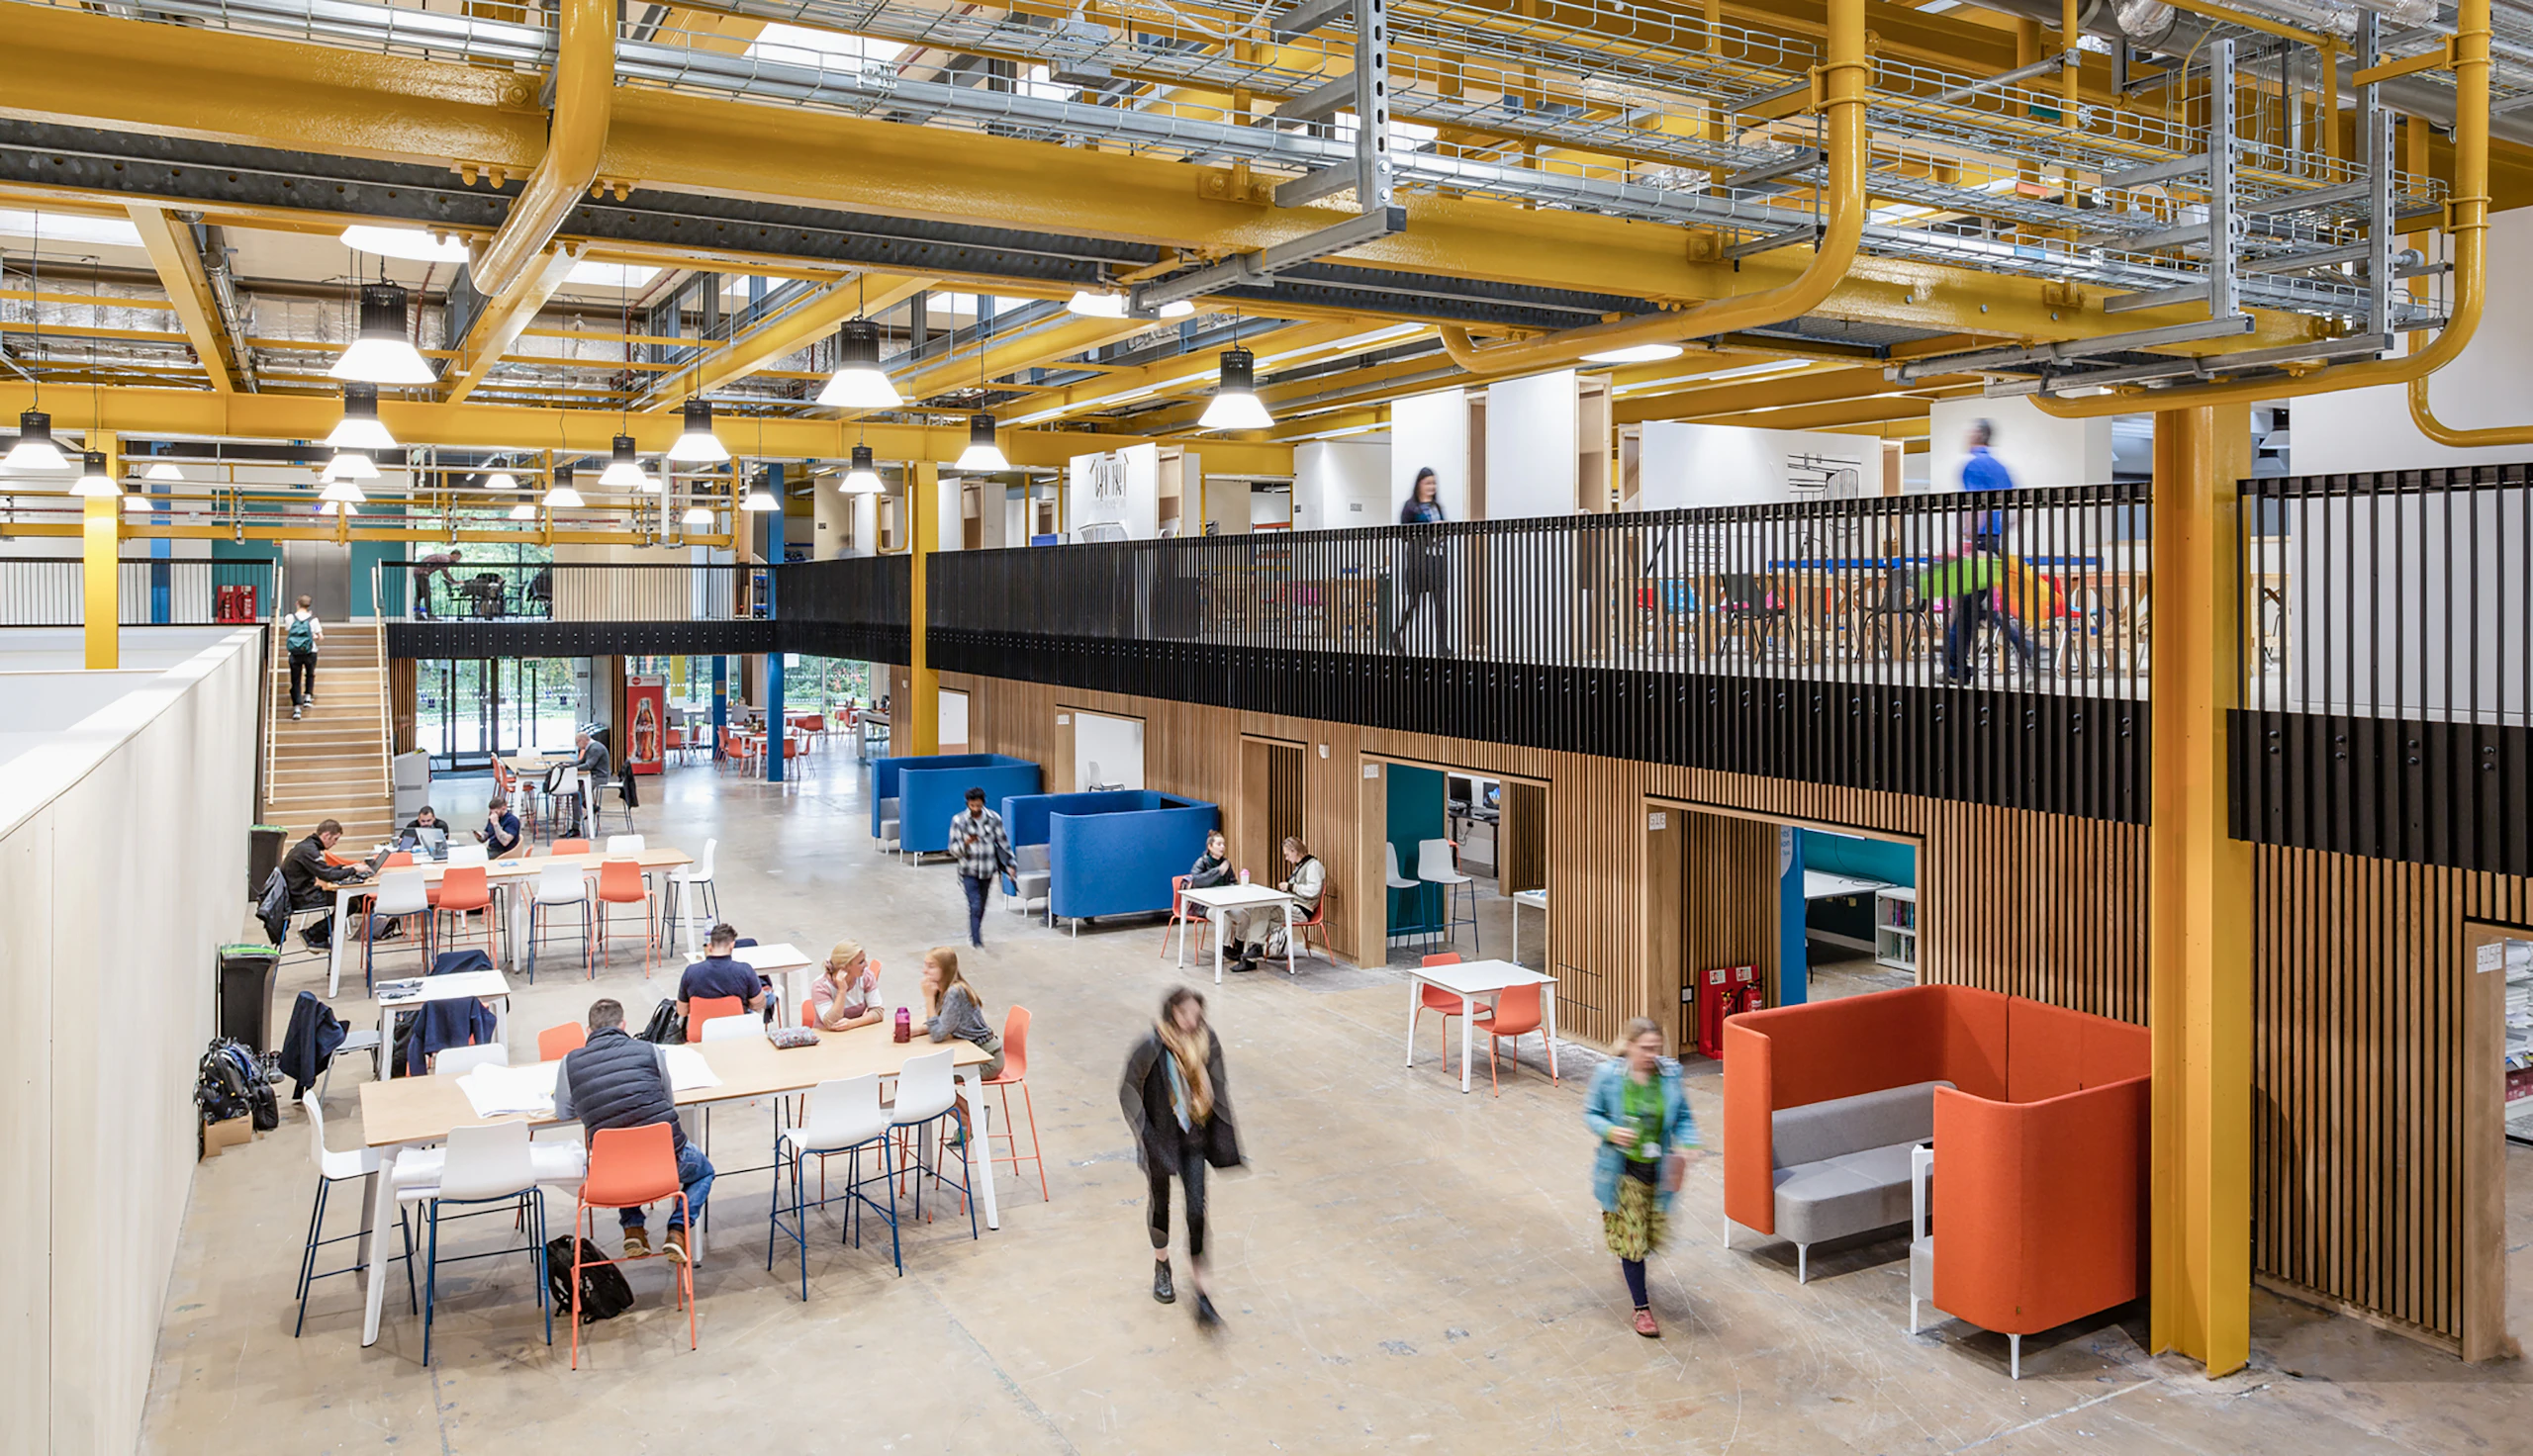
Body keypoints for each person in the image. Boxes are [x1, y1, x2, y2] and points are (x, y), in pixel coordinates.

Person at [553, 997, 713, 1262]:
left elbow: (563, 1112)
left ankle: (634, 1228)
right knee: (703, 1171)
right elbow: (667, 1101)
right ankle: (677, 1230)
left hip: (611, 1170)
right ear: (623, 1024)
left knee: (623, 1154)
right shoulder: (649, 1050)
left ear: (588, 1030)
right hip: (666, 1160)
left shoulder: (570, 1062)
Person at [1118, 986, 1241, 1327]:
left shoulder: (1207, 1040)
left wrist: (1222, 1132)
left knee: (1197, 1210)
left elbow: (1219, 1085)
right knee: (1161, 1204)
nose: (1192, 1020)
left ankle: (1201, 1290)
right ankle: (1162, 1265)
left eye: (1197, 1014)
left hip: (1194, 1136)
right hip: (1160, 1137)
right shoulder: (1151, 1045)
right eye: (1186, 1013)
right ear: (1172, 1011)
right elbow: (1127, 1090)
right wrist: (1144, 1133)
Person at [1583, 1018, 1701, 1338]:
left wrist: (1689, 1142)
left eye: (1656, 1048)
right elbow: (1590, 1113)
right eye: (1645, 1048)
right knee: (1634, 1246)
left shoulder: (1670, 1074)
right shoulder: (1609, 1076)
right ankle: (1641, 1309)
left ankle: (1628, 1260)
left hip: (1659, 1172)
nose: (1651, 1055)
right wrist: (1610, 1130)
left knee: (1652, 1241)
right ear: (1630, 1045)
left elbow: (1683, 1117)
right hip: (1623, 1174)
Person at [1944, 419, 2033, 684]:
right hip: (1995, 542)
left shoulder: (1972, 465)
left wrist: (1970, 540)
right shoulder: (2001, 467)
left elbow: (1976, 505)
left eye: (1969, 432)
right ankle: (2023, 644)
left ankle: (1955, 669)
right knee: (1973, 607)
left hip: (1981, 542)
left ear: (1976, 435)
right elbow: (2018, 511)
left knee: (1965, 608)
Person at [920, 948, 1004, 1146]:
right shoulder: (949, 990)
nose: (925, 971)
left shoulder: (955, 992)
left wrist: (928, 999)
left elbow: (938, 1034)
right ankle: (972, 1115)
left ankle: (969, 1117)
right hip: (975, 1053)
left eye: (931, 967)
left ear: (946, 969)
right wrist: (917, 1030)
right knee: (930, 1076)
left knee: (930, 1080)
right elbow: (943, 1024)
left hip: (987, 1058)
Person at [1231, 836, 1324, 972]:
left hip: (1302, 910)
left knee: (1261, 914)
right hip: (1291, 906)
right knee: (1259, 911)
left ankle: (1253, 952)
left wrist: (1291, 887)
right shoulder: (1301, 866)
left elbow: (1314, 891)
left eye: (1287, 854)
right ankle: (1253, 952)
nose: (1286, 858)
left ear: (1294, 851)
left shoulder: (1313, 866)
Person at [1391, 466, 1453, 656]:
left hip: (1437, 560)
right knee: (1413, 603)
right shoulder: (1410, 507)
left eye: (1433, 483)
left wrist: (1442, 532)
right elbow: (1405, 535)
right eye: (1428, 483)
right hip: (1418, 563)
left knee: (1440, 603)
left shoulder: (1437, 507)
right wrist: (1429, 530)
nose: (1431, 487)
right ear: (1419, 484)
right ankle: (1396, 635)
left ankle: (1442, 645)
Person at [281, 818, 365, 948]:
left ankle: (317, 935)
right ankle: (313, 933)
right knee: (352, 903)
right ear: (326, 835)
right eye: (335, 839)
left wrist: (343, 868)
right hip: (301, 898)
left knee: (353, 900)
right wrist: (353, 870)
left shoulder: (307, 846)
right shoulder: (309, 850)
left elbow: (323, 870)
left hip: (300, 892)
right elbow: (328, 876)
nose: (335, 843)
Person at [948, 787, 1014, 950]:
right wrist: (966, 844)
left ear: (983, 803)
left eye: (978, 806)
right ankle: (976, 939)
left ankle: (974, 930)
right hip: (968, 870)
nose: (975, 809)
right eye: (972, 806)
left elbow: (1004, 843)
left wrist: (1011, 865)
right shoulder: (959, 821)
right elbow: (953, 849)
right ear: (968, 804)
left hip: (987, 869)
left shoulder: (994, 819)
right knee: (975, 904)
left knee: (982, 905)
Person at [677, 922, 765, 1028]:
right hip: (738, 1031)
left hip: (701, 1032)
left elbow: (682, 1011)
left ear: (709, 947)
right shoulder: (744, 970)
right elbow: (758, 1005)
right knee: (768, 996)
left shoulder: (690, 972)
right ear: (732, 946)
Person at [810, 939, 884, 1032]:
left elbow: (878, 1011)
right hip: (828, 1037)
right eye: (861, 962)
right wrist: (842, 991)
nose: (866, 965)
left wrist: (852, 1023)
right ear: (844, 967)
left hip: (855, 1034)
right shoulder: (821, 986)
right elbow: (831, 1022)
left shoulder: (866, 976)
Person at [282, 594, 324, 719]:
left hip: (294, 653)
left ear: (297, 604)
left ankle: (296, 708)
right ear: (309, 605)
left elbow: (288, 630)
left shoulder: (290, 618)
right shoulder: (313, 619)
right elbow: (320, 637)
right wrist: (313, 637)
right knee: (310, 674)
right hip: (310, 651)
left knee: (295, 679)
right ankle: (308, 697)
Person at [566, 727, 610, 837]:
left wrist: (572, 769)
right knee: (576, 790)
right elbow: (581, 761)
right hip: (592, 775)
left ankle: (575, 828)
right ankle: (592, 807)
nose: (577, 745)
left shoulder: (595, 749)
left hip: (598, 777)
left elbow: (588, 765)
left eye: (577, 742)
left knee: (577, 796)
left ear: (583, 740)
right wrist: (568, 765)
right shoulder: (591, 747)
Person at [411, 547, 461, 620]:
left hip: (417, 572)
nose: (457, 560)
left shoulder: (442, 557)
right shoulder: (446, 559)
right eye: (457, 558)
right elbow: (445, 572)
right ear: (454, 555)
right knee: (427, 593)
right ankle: (429, 614)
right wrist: (454, 581)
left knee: (419, 594)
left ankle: (417, 613)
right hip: (422, 573)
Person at [477, 792, 522, 859]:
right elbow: (487, 834)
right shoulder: (492, 817)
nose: (493, 814)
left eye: (496, 812)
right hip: (491, 849)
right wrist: (480, 837)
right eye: (491, 812)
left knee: (477, 858)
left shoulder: (512, 821)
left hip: (502, 852)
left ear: (503, 808)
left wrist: (496, 824)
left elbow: (505, 841)